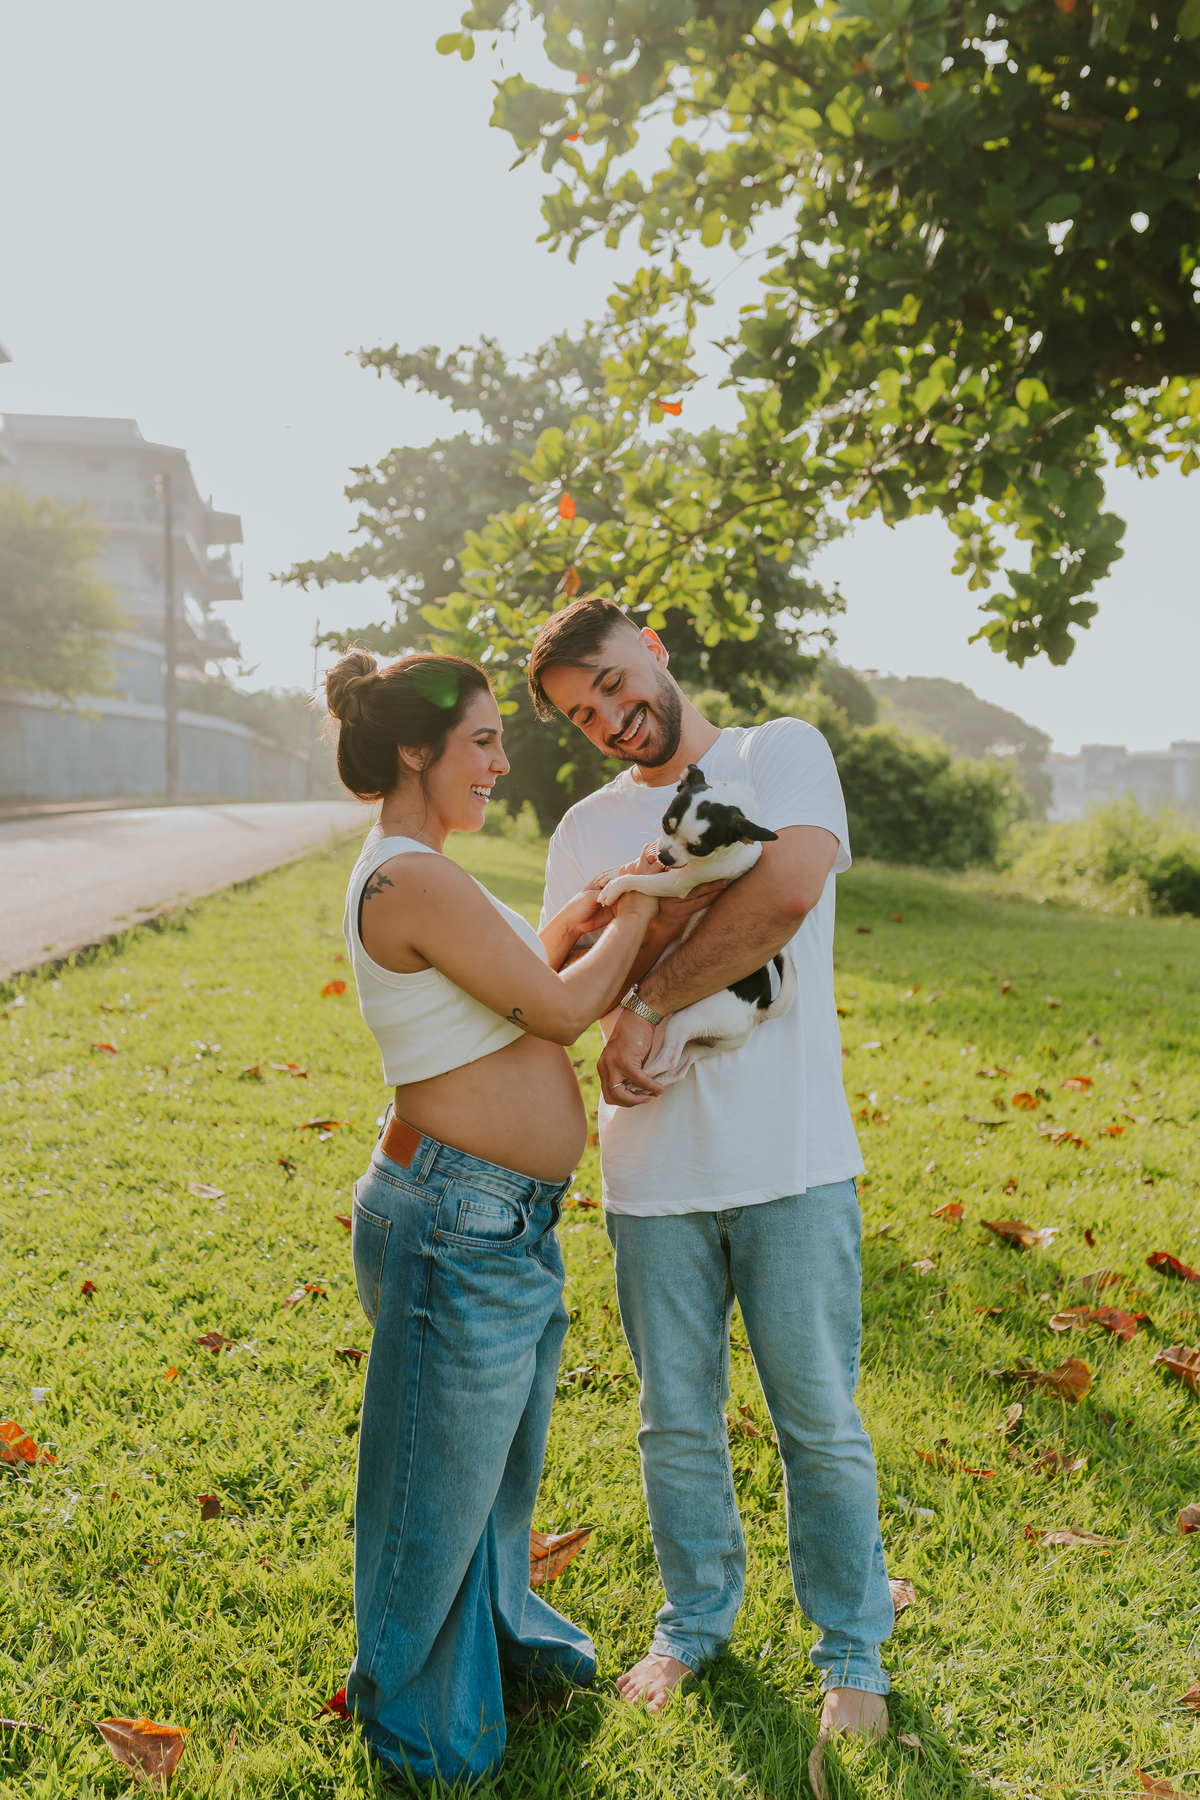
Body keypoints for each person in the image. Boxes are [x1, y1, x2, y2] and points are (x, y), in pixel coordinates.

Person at [531, 599, 893, 1740]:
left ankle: (853, 1655)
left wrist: (643, 995)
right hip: (652, 1177)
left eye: (610, 681)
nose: (607, 716)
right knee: (673, 1422)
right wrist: (610, 920)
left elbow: (782, 895)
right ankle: (694, 1622)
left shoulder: (776, 753)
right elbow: (549, 975)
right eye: (580, 712)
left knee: (817, 1422)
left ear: (654, 649)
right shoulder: (587, 827)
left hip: (792, 1163)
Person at [324, 645, 661, 1784]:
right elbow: (562, 1008)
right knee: (431, 1489)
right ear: (416, 749)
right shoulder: (411, 876)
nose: (500, 765)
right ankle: (419, 1730)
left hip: (498, 1219)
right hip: (454, 1221)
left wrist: (595, 907)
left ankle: (502, 1645)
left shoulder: (427, 868)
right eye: (481, 742)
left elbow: (532, 960)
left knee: (491, 1473)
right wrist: (658, 903)